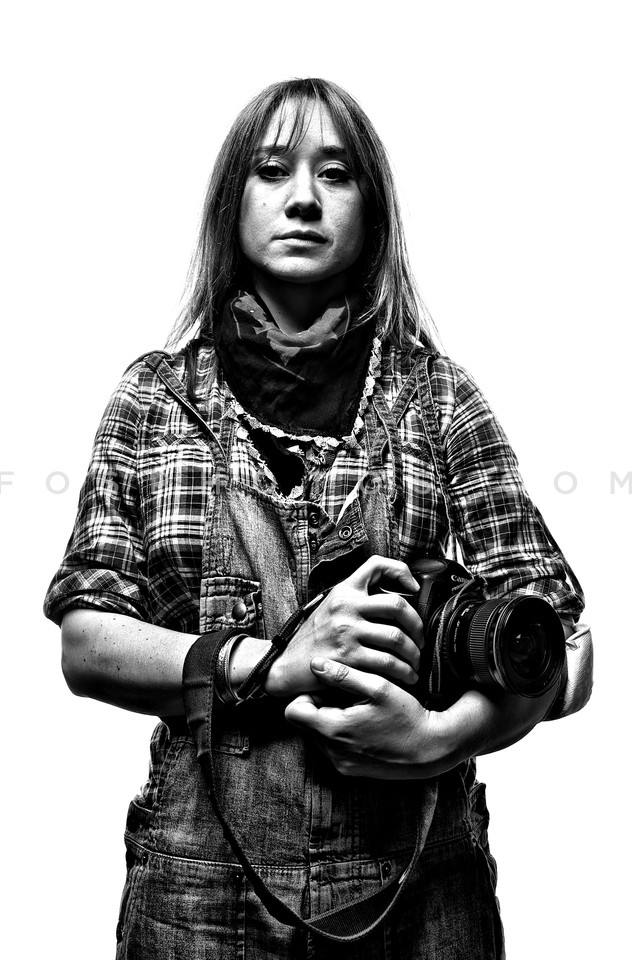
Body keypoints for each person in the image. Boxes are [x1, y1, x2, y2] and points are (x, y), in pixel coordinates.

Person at [44, 78, 587, 959]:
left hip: (421, 887)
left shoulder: (436, 397)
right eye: (272, 170)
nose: (303, 197)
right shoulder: (155, 399)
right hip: (198, 895)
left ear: (372, 211)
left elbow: (565, 645)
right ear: (233, 202)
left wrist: (441, 738)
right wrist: (274, 666)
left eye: (335, 173)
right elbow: (85, 642)